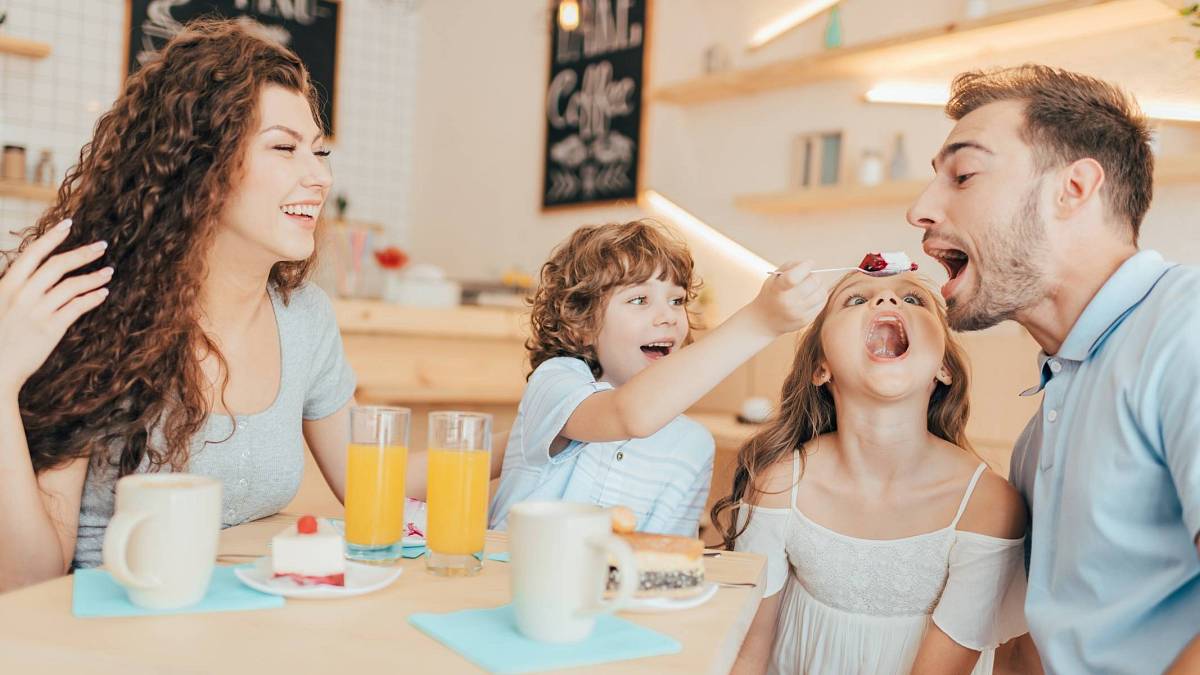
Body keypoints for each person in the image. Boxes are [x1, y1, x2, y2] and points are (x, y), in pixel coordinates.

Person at [0, 19, 356, 591]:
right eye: (285, 148)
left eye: (320, 151)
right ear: (200, 166)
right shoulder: (93, 311)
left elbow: (371, 480)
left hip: (242, 625)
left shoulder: (303, 316)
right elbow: (25, 579)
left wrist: (532, 434)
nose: (319, 176)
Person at [908, 64, 1200, 674]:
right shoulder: (1044, 424)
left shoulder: (1184, 329)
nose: (920, 210)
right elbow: (1035, 643)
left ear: (1073, 189)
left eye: (963, 175)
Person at [718, 271, 1028, 675]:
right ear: (821, 368)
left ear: (944, 369)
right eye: (855, 299)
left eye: (914, 299)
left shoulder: (988, 504)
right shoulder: (779, 483)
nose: (886, 301)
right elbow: (748, 655)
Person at [488, 220, 825, 536]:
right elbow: (629, 413)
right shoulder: (555, 382)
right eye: (639, 299)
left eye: (676, 300)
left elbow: (665, 558)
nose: (667, 317)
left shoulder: (692, 446)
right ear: (582, 326)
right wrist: (759, 322)